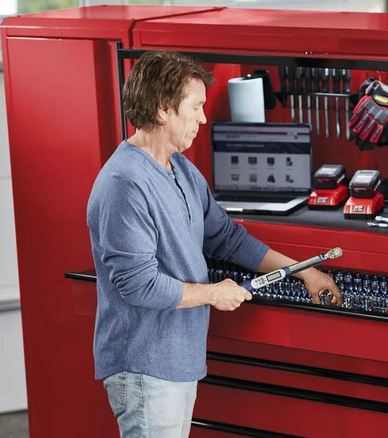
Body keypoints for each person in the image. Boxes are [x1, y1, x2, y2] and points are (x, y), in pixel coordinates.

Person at [86, 50, 341, 438]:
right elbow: (138, 285)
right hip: (144, 364)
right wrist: (213, 294)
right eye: (196, 107)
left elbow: (225, 237)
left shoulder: (181, 169)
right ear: (161, 110)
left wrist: (305, 271)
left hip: (176, 359)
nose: (204, 119)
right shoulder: (125, 184)